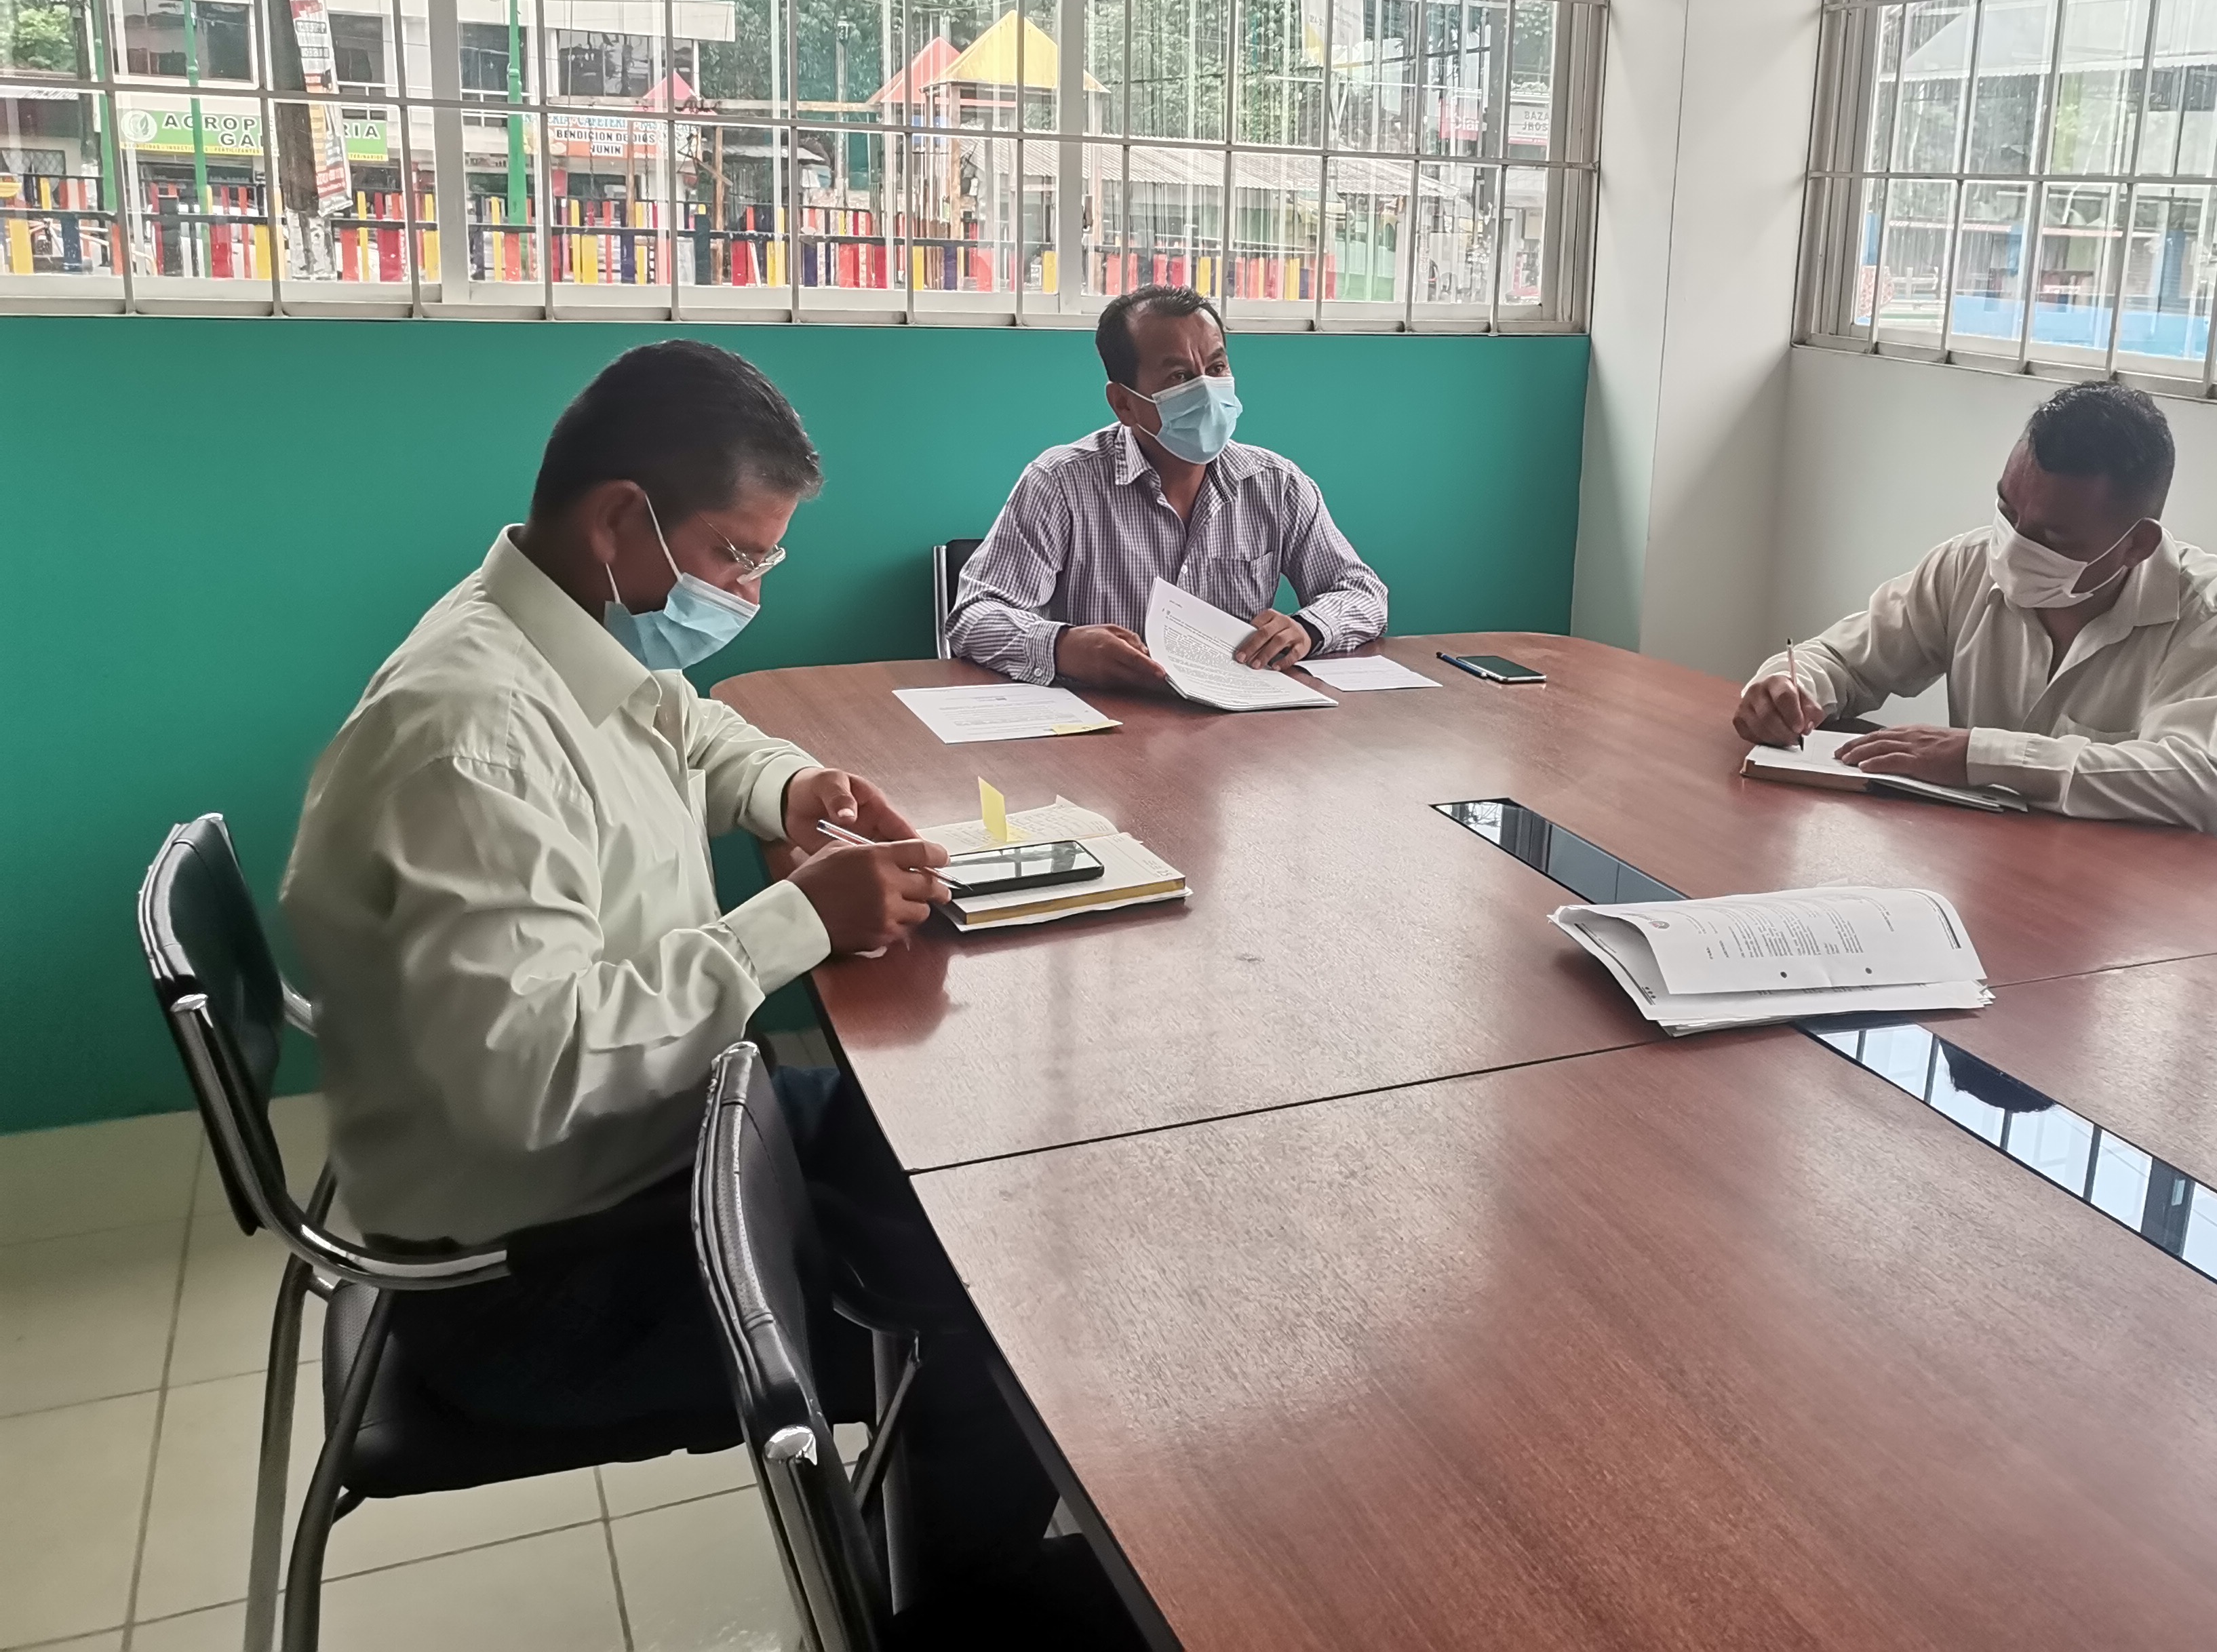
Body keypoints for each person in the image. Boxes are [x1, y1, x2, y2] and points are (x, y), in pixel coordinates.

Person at [281, 340, 1085, 1617]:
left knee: (986, 1175)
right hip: (541, 1284)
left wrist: (791, 787)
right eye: (734, 556)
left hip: (657, 1142)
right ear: (621, 520)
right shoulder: (469, 736)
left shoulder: (549, 635)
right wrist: (795, 922)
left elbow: (685, 726)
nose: (747, 591)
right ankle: (959, 1615)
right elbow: (530, 1077)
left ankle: (950, 1551)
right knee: (1009, 1318)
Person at [1733, 380, 2217, 836]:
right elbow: (1843, 660)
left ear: (2136, 545)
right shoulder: (1967, 566)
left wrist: (1980, 756)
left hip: (2157, 902)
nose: (2014, 548)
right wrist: (1789, 688)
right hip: (1998, 864)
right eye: (2007, 511)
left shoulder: (2212, 617)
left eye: (2053, 537)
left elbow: (2205, 782)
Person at [948, 283, 1389, 687]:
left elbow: (1363, 593)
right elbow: (974, 616)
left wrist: (1309, 629)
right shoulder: (1060, 484)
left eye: (1216, 367)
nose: (1207, 390)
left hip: (1239, 721)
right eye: (1179, 377)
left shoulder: (1277, 485)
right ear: (1124, 403)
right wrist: (1063, 647)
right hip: (1104, 722)